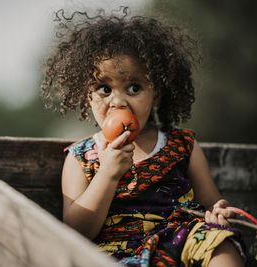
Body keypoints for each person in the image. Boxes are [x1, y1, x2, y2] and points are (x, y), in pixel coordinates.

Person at [41, 8, 245, 267]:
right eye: (104, 89)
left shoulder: (183, 145)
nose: (118, 101)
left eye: (134, 88)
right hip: (118, 253)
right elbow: (77, 232)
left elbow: (210, 202)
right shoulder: (80, 157)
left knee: (222, 246)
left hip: (182, 239)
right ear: (88, 96)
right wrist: (108, 174)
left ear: (156, 94)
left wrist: (218, 212)